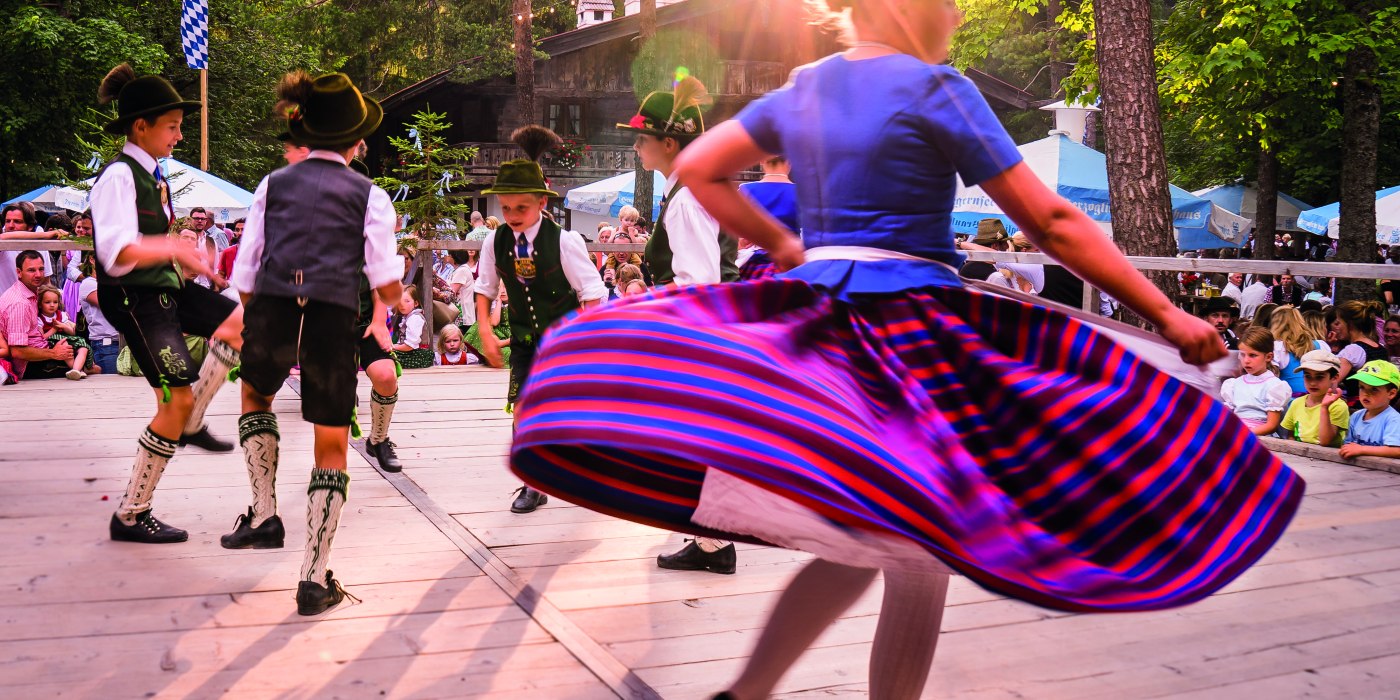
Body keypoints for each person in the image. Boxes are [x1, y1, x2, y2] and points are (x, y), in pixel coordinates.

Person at [506, 3, 1303, 697]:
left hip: (817, 328)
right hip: (909, 336)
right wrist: (1165, 312)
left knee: (873, 532)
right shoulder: (938, 89)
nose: (955, 16)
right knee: (915, 549)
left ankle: (747, 692)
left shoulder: (806, 85)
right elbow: (1050, 223)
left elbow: (704, 171)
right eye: (946, 1)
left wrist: (788, 249)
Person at [222, 71, 401, 617]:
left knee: (255, 397)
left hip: (274, 306)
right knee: (331, 441)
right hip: (331, 316)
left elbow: (246, 273)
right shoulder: (371, 196)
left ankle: (262, 512)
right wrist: (392, 297)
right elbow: (387, 283)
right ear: (355, 141)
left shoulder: (272, 184)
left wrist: (245, 324)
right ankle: (313, 578)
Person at [89, 64, 244, 545]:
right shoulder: (118, 177)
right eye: (173, 126)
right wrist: (173, 248)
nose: (179, 136)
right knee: (172, 400)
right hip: (136, 301)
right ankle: (131, 515)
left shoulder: (152, 174)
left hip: (164, 291)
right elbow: (115, 256)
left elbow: (153, 244)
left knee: (241, 321)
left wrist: (189, 262)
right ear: (142, 126)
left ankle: (194, 419)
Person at [620, 74, 743, 572]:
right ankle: (712, 540)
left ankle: (715, 543)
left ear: (669, 144)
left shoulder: (688, 200)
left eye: (642, 137)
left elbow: (699, 282)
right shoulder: (691, 192)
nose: (636, 144)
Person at [472, 125, 607, 514]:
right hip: (524, 341)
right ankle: (533, 483)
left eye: (521, 208)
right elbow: (484, 286)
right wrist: (484, 327)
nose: (512, 215)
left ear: (541, 203)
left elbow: (592, 292)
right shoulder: (492, 241)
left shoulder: (565, 242)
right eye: (506, 207)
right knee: (522, 408)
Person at [0, 252, 74, 380]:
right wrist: (54, 353)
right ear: (19, 272)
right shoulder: (19, 303)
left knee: (82, 354)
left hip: (41, 352)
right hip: (30, 366)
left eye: (41, 269)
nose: (38, 275)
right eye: (31, 270)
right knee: (87, 367)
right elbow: (18, 351)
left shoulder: (30, 293)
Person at [1222, 326, 1291, 436]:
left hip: (1259, 438)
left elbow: (1271, 425)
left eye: (1252, 355)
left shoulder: (1274, 386)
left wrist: (1244, 434)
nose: (1246, 361)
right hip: (1236, 433)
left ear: (1268, 357)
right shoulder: (1234, 384)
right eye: (1242, 354)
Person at [1280, 349, 1348, 447]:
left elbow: (1325, 441)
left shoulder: (1338, 406)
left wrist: (1324, 408)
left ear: (1334, 377)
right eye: (1308, 376)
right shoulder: (1296, 403)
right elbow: (1290, 435)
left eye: (1319, 377)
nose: (1312, 383)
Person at [1339, 360, 1400, 459]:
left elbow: (1397, 450)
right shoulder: (1356, 416)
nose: (1366, 393)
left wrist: (1362, 449)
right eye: (1362, 387)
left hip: (1384, 471)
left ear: (1391, 393)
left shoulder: (1393, 419)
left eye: (1374, 389)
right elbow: (1348, 446)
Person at [1335, 300, 1389, 401]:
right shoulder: (1381, 347)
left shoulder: (1353, 350)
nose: (1337, 328)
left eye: (1338, 323)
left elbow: (1332, 381)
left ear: (1349, 325)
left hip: (1358, 406)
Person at [77, 253, 121, 375]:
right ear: (92, 259)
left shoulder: (114, 282)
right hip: (106, 344)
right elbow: (111, 305)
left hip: (121, 341)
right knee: (111, 386)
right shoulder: (88, 284)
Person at [1270, 305, 1329, 395]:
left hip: (1288, 402)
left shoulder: (1277, 347)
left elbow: (1271, 380)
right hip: (1318, 399)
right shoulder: (1321, 345)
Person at [36, 284, 91, 379]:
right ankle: (77, 369)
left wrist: (63, 326)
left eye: (55, 302)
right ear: (40, 304)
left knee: (83, 347)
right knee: (64, 345)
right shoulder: (39, 319)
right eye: (47, 302)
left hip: (67, 337)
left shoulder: (62, 315)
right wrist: (54, 329)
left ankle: (76, 369)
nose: (52, 305)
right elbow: (42, 338)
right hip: (53, 341)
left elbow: (72, 332)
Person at [1, 203, 58, 291]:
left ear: (30, 226)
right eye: (7, 221)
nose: (10, 226)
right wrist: (46, 234)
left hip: (32, 303)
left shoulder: (39, 245)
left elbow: (46, 282)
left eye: (17, 221)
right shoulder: (3, 246)